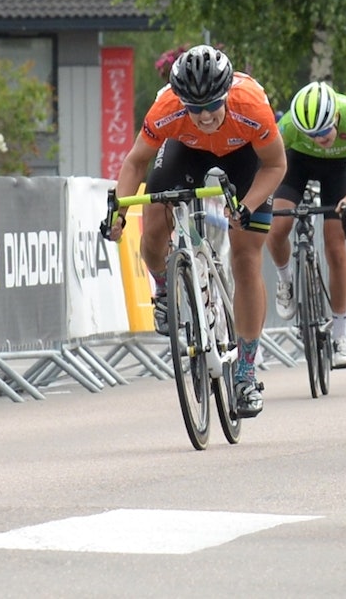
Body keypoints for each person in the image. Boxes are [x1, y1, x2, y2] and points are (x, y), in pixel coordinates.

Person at [104, 44, 286, 418]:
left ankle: (246, 372)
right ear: (180, 100)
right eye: (194, 107)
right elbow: (136, 163)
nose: (203, 115)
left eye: (211, 106)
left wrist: (246, 206)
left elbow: (275, 165)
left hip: (244, 157)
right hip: (185, 150)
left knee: (246, 257)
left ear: (226, 95)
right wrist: (118, 212)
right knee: (153, 226)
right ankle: (164, 288)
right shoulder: (168, 109)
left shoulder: (251, 105)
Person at [266, 81, 346, 369]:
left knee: (334, 245)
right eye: (311, 133)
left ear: (336, 117)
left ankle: (340, 334)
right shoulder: (288, 127)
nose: (319, 137)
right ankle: (285, 279)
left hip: (339, 168)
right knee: (276, 228)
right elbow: (267, 161)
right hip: (298, 163)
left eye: (324, 131)